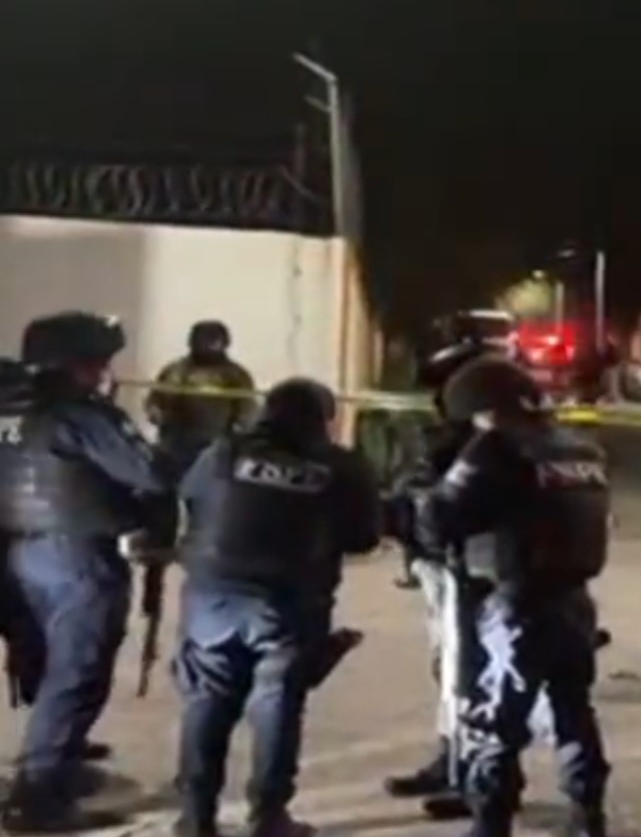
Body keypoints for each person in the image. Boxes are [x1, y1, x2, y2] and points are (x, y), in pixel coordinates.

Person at [172, 377, 380, 837]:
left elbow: (189, 499)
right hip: (288, 603)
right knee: (277, 705)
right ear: (324, 420)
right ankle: (268, 816)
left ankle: (195, 816)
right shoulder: (340, 467)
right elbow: (364, 537)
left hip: (212, 596)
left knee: (206, 701)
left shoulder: (222, 452)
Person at [415, 355, 612, 837]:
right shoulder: (580, 448)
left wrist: (418, 498)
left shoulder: (496, 448)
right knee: (571, 713)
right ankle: (587, 816)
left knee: (495, 725)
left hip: (517, 604)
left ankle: (490, 823)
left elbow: (440, 519)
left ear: (483, 409)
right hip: (575, 603)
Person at [0, 311, 174, 832]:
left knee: (50, 668)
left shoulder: (11, 408)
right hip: (76, 556)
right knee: (77, 673)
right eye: (97, 361)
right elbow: (150, 472)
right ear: (75, 364)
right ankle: (38, 794)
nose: (105, 371)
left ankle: (56, 765)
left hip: (15, 554)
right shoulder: (83, 415)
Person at [382, 339, 560, 819]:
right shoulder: (492, 432)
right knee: (454, 673)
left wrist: (417, 509)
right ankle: (458, 763)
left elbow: (450, 505)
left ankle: (479, 781)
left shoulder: (491, 442)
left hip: (476, 573)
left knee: (471, 677)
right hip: (459, 569)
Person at [144, 320, 257, 473]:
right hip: (174, 446)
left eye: (213, 339)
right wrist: (155, 412)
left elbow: (247, 411)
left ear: (224, 342)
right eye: (203, 338)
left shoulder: (235, 375)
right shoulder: (174, 371)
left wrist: (238, 434)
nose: (208, 344)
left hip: (214, 450)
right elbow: (154, 400)